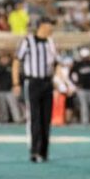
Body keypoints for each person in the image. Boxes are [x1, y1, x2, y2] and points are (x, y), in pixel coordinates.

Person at [13, 19, 57, 162]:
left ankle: (44, 151)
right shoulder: (28, 41)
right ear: (41, 27)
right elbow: (16, 61)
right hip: (33, 82)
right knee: (34, 117)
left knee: (46, 118)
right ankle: (34, 150)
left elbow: (55, 62)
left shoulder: (50, 43)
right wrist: (16, 83)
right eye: (49, 26)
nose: (51, 29)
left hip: (47, 82)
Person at [0, 53, 22, 123]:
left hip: (11, 90)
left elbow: (18, 77)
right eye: (3, 59)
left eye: (5, 58)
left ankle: (17, 119)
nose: (4, 60)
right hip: (1, 90)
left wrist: (16, 86)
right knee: (2, 107)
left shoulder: (12, 67)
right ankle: (4, 120)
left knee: (14, 106)